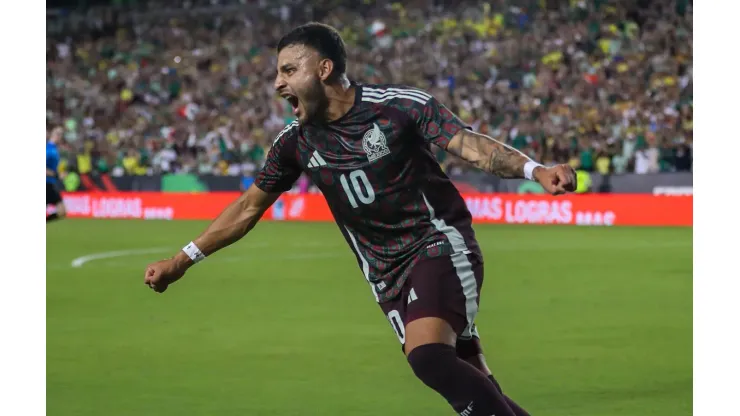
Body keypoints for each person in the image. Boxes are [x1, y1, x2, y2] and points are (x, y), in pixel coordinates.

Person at [144, 22, 576, 416]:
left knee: (427, 357)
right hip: (385, 277)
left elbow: (469, 145)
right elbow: (247, 208)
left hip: (438, 244)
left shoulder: (399, 108)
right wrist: (180, 262)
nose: (278, 83)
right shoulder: (294, 144)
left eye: (290, 70)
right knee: (475, 387)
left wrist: (534, 170)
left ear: (325, 69)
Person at [46, 127, 66, 223]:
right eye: (58, 133)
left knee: (62, 211)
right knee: (62, 210)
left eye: (61, 134)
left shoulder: (54, 149)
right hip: (46, 184)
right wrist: (57, 175)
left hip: (50, 184)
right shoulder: (48, 149)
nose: (60, 136)